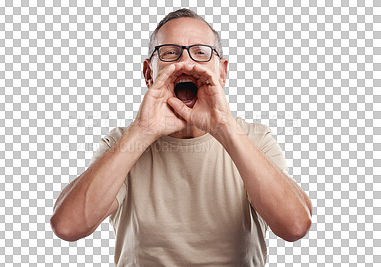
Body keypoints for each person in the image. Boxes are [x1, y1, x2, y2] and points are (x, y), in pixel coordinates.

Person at [50, 8, 312, 266]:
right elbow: (68, 227)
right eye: (170, 53)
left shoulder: (255, 138)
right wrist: (141, 132)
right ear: (148, 73)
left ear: (222, 72)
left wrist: (225, 129)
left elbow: (295, 226)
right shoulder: (122, 143)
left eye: (200, 52)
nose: (185, 63)